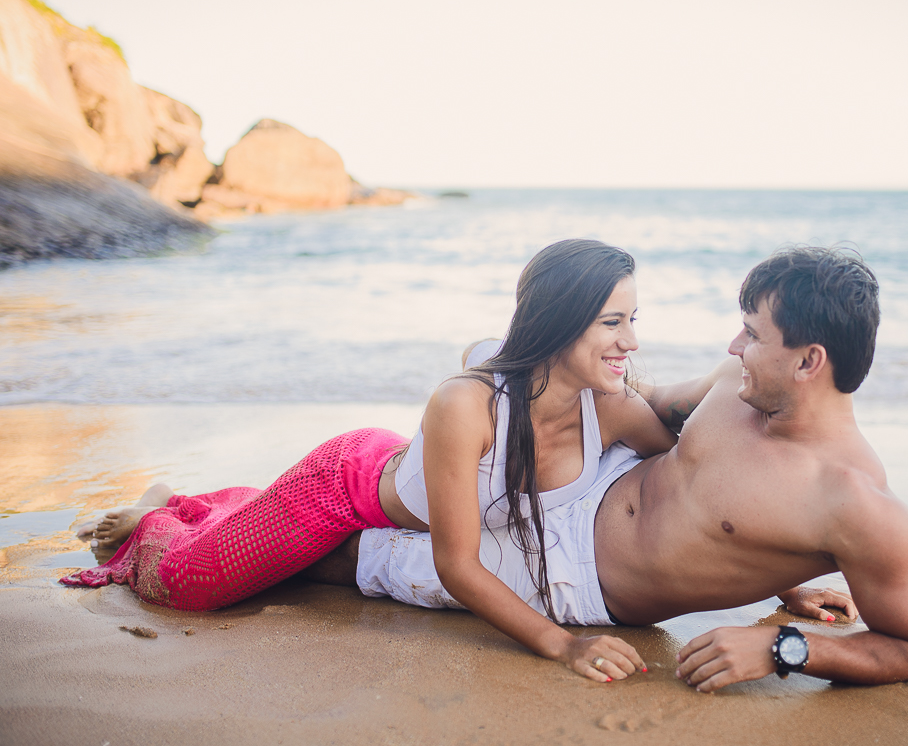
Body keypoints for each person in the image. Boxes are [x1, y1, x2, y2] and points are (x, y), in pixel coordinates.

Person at [327, 245, 908, 689]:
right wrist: (790, 583)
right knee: (410, 487)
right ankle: (357, 473)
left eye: (752, 335)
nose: (734, 348)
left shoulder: (858, 508)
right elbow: (648, 410)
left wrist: (783, 646)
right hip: (575, 475)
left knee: (357, 559)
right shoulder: (737, 383)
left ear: (809, 362)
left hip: (566, 576)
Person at [63, 239, 677, 683]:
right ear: (558, 324)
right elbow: (457, 565)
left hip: (409, 487)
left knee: (251, 544)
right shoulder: (467, 404)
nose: (632, 341)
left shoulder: (614, 409)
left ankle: (219, 505)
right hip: (341, 486)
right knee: (187, 587)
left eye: (633, 321)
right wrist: (562, 645)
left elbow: (686, 480)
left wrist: (776, 580)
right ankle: (156, 514)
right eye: (612, 322)